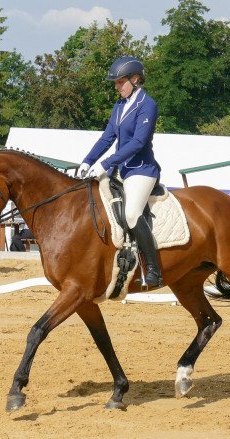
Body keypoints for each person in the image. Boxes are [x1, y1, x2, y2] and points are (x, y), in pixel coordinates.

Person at [77, 56, 163, 288]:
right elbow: (108, 137)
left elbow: (137, 142)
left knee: (132, 213)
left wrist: (105, 164)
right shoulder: (119, 106)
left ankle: (153, 268)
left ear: (135, 80)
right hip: (120, 169)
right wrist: (87, 161)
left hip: (141, 170)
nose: (116, 87)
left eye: (120, 82)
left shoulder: (148, 104)